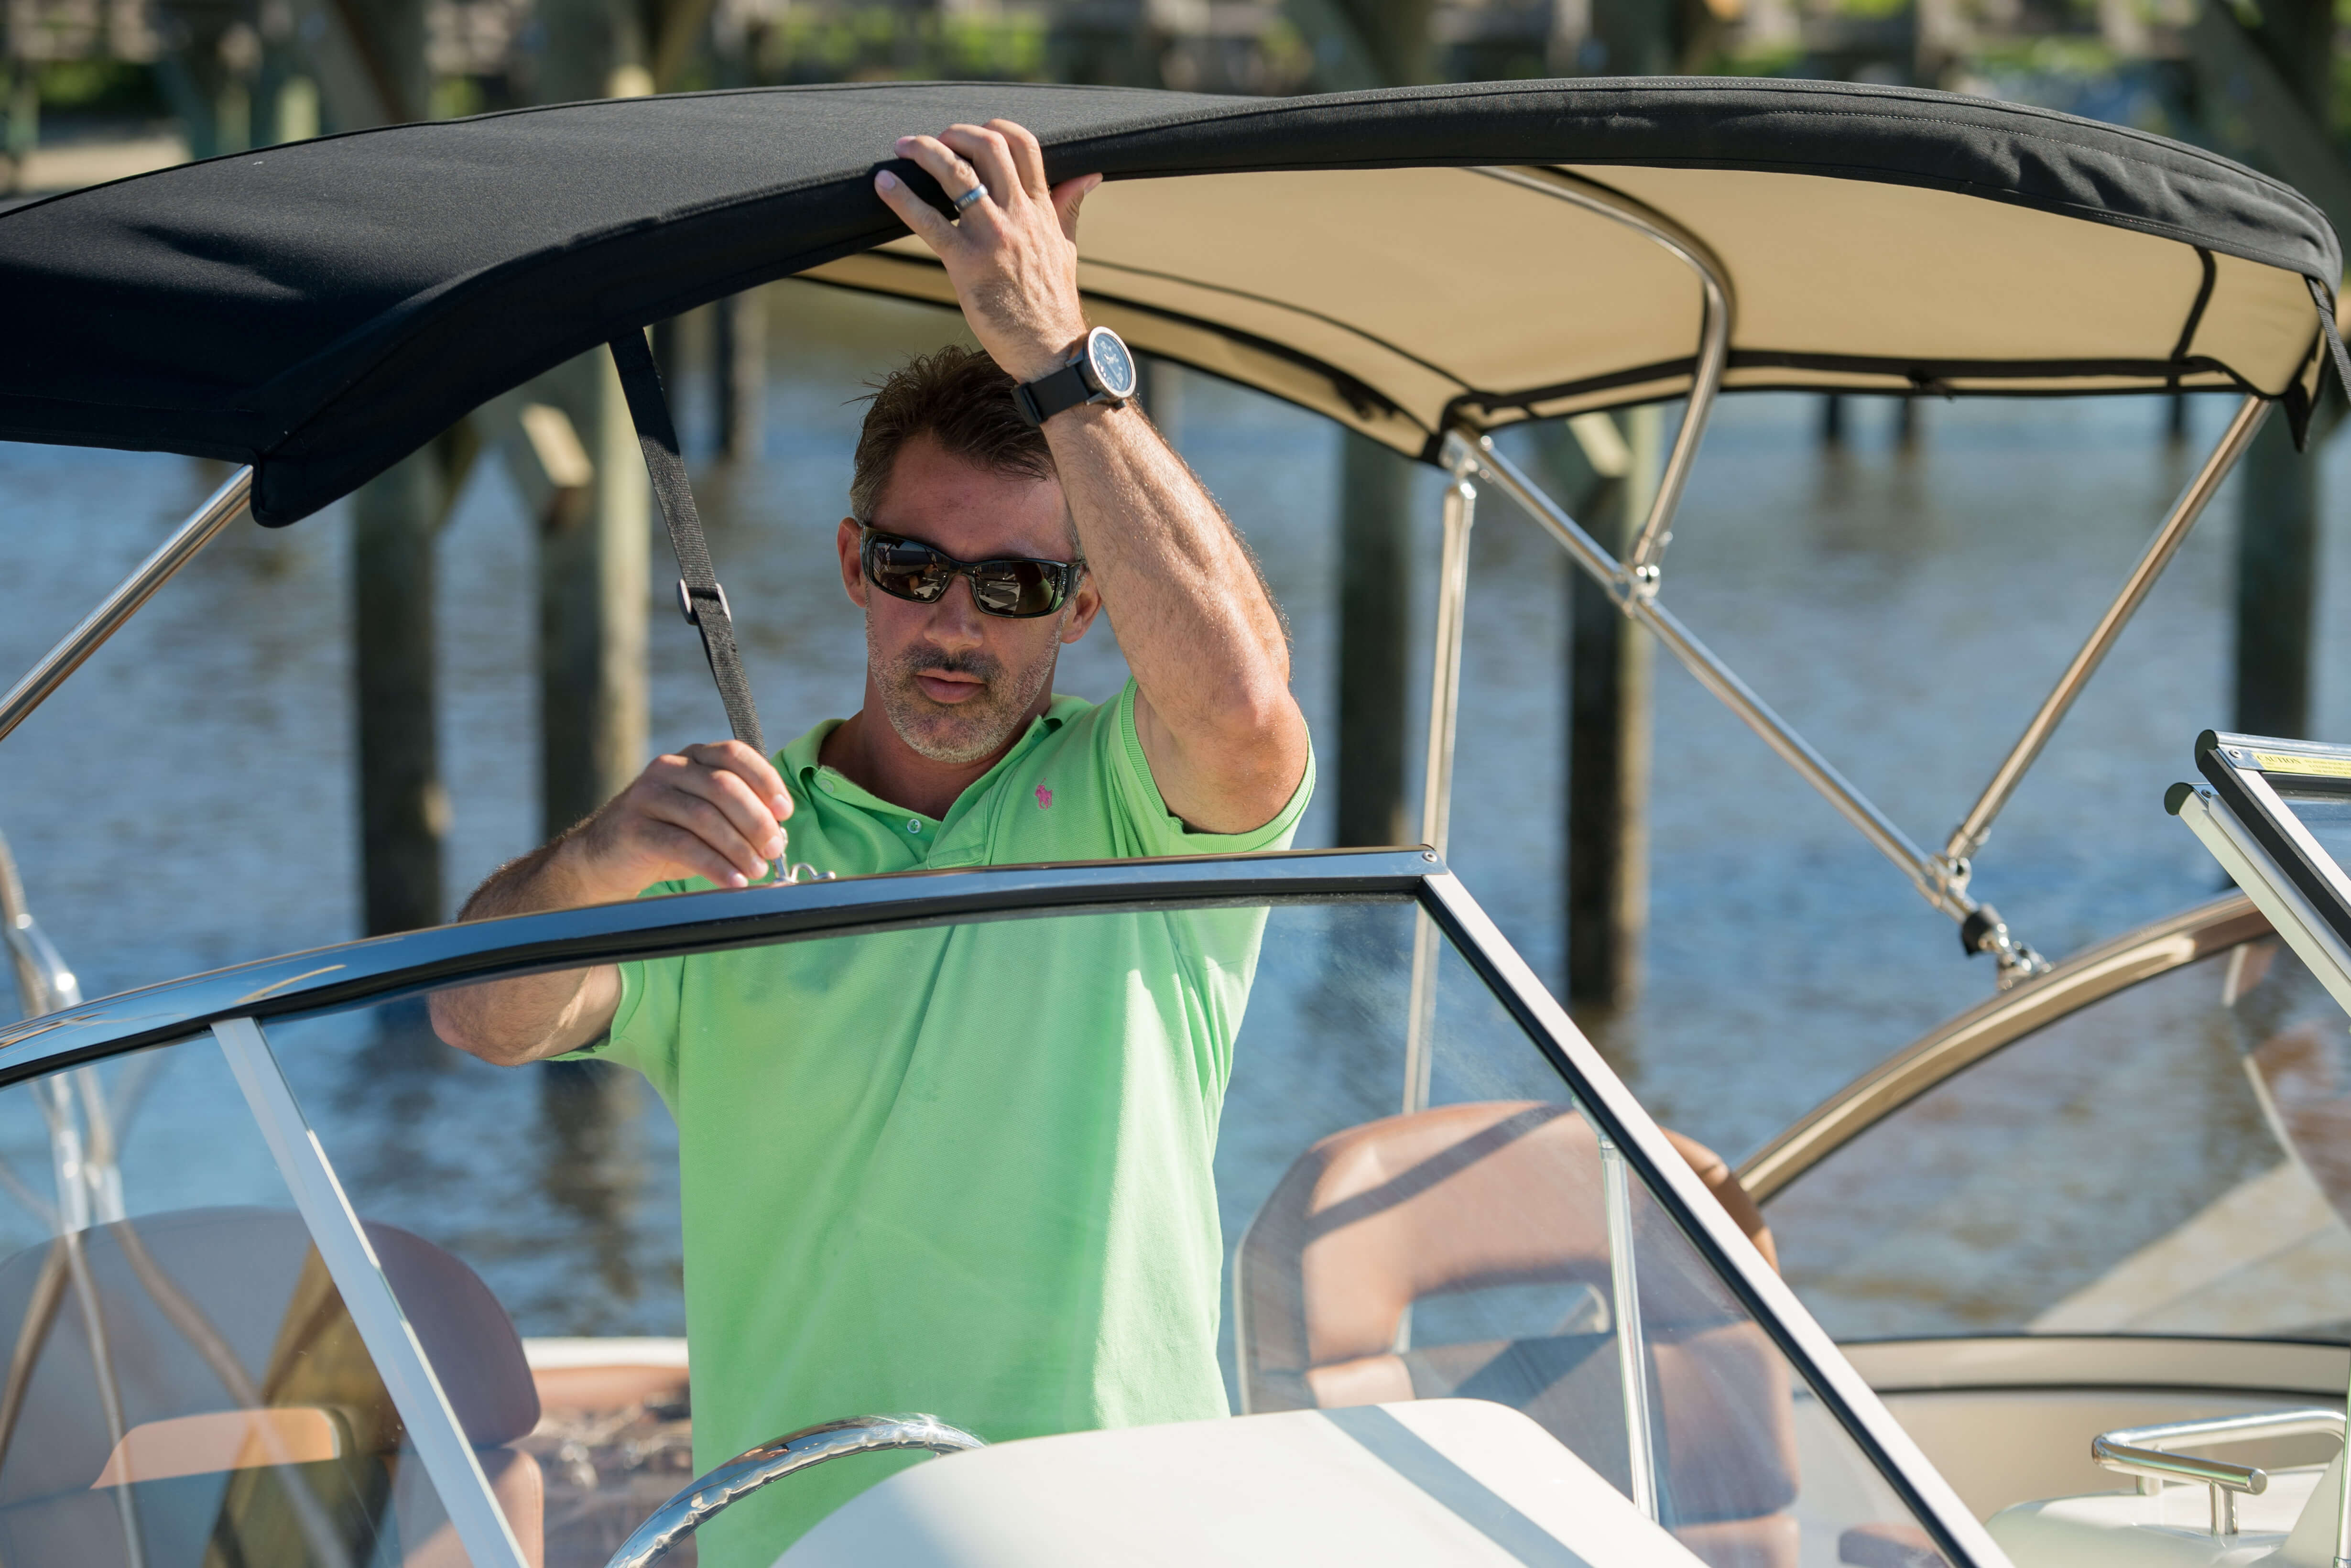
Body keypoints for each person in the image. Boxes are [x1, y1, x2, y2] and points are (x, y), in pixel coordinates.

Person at [431, 118, 1311, 1561]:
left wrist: (1053, 345)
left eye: (1018, 584)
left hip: (1130, 1534)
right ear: (854, 566)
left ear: (1087, 610)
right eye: (915, 568)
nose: (954, 623)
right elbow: (476, 1014)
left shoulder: (1140, 803)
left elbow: (1240, 703)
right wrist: (589, 867)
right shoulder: (724, 846)